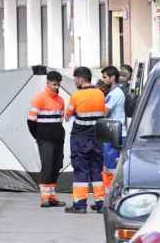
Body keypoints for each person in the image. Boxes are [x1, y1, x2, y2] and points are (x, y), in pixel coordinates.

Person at [65, 66, 107, 214]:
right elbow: (104, 112)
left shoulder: (76, 96)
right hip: (97, 139)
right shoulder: (100, 94)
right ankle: (100, 203)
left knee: (81, 170)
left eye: (75, 79)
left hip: (80, 139)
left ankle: (80, 204)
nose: (75, 82)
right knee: (97, 170)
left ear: (81, 79)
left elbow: (67, 115)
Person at [28, 71, 66, 208]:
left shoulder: (61, 100)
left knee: (56, 166)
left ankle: (51, 196)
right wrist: (39, 136)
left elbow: (60, 120)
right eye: (54, 84)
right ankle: (44, 198)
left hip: (58, 139)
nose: (56, 87)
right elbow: (31, 121)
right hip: (45, 140)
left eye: (58, 84)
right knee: (47, 166)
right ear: (48, 83)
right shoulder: (39, 98)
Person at [101, 66, 126, 193]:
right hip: (114, 132)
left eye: (105, 77)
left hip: (114, 133)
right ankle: (109, 193)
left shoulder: (114, 94)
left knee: (111, 167)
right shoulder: (116, 93)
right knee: (110, 166)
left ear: (113, 78)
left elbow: (104, 113)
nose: (103, 80)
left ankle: (110, 194)